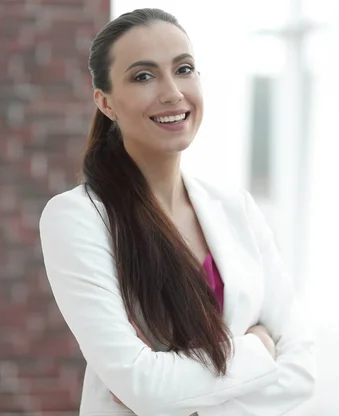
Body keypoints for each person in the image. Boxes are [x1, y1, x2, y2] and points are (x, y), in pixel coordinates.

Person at [39, 8, 316, 416]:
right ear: (106, 102)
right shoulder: (77, 218)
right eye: (143, 76)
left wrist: (177, 390)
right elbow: (142, 386)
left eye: (183, 69)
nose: (172, 92)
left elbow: (301, 374)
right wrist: (258, 349)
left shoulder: (235, 207)